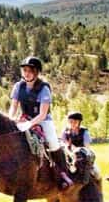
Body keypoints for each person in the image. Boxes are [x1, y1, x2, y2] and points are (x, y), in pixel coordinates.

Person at [9, 56, 73, 189]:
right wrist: (10, 120)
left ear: (36, 72)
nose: (26, 73)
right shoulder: (18, 86)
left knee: (53, 142)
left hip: (43, 121)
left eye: (30, 70)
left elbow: (42, 114)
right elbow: (13, 107)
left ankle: (63, 173)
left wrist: (29, 124)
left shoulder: (44, 88)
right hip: (24, 118)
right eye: (24, 70)